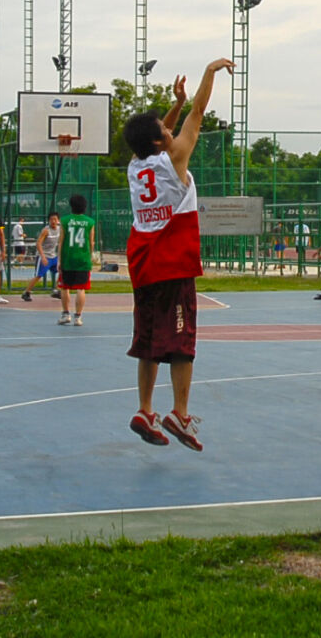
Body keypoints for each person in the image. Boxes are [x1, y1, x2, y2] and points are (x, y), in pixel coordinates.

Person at [122, 61, 231, 449]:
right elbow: (198, 116)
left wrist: (174, 104)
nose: (171, 130)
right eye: (166, 130)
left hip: (145, 268)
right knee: (182, 344)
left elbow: (154, 135)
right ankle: (180, 414)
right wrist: (209, 72)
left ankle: (144, 409)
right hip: (173, 266)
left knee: (149, 342)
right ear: (160, 142)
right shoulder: (175, 161)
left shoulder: (136, 167)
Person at [58, 194, 96, 326]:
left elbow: (61, 242)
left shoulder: (64, 221)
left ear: (71, 206)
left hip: (68, 258)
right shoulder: (90, 222)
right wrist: (89, 256)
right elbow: (91, 243)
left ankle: (65, 314)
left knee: (65, 287)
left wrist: (59, 260)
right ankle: (78, 317)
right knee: (81, 288)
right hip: (83, 259)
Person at [27, 210, 62, 300]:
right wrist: (42, 257)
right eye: (51, 219)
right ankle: (26, 292)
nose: (53, 221)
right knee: (39, 275)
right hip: (44, 255)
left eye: (55, 219)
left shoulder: (60, 229)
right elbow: (38, 243)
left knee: (63, 271)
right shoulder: (46, 231)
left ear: (58, 220)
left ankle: (57, 290)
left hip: (53, 255)